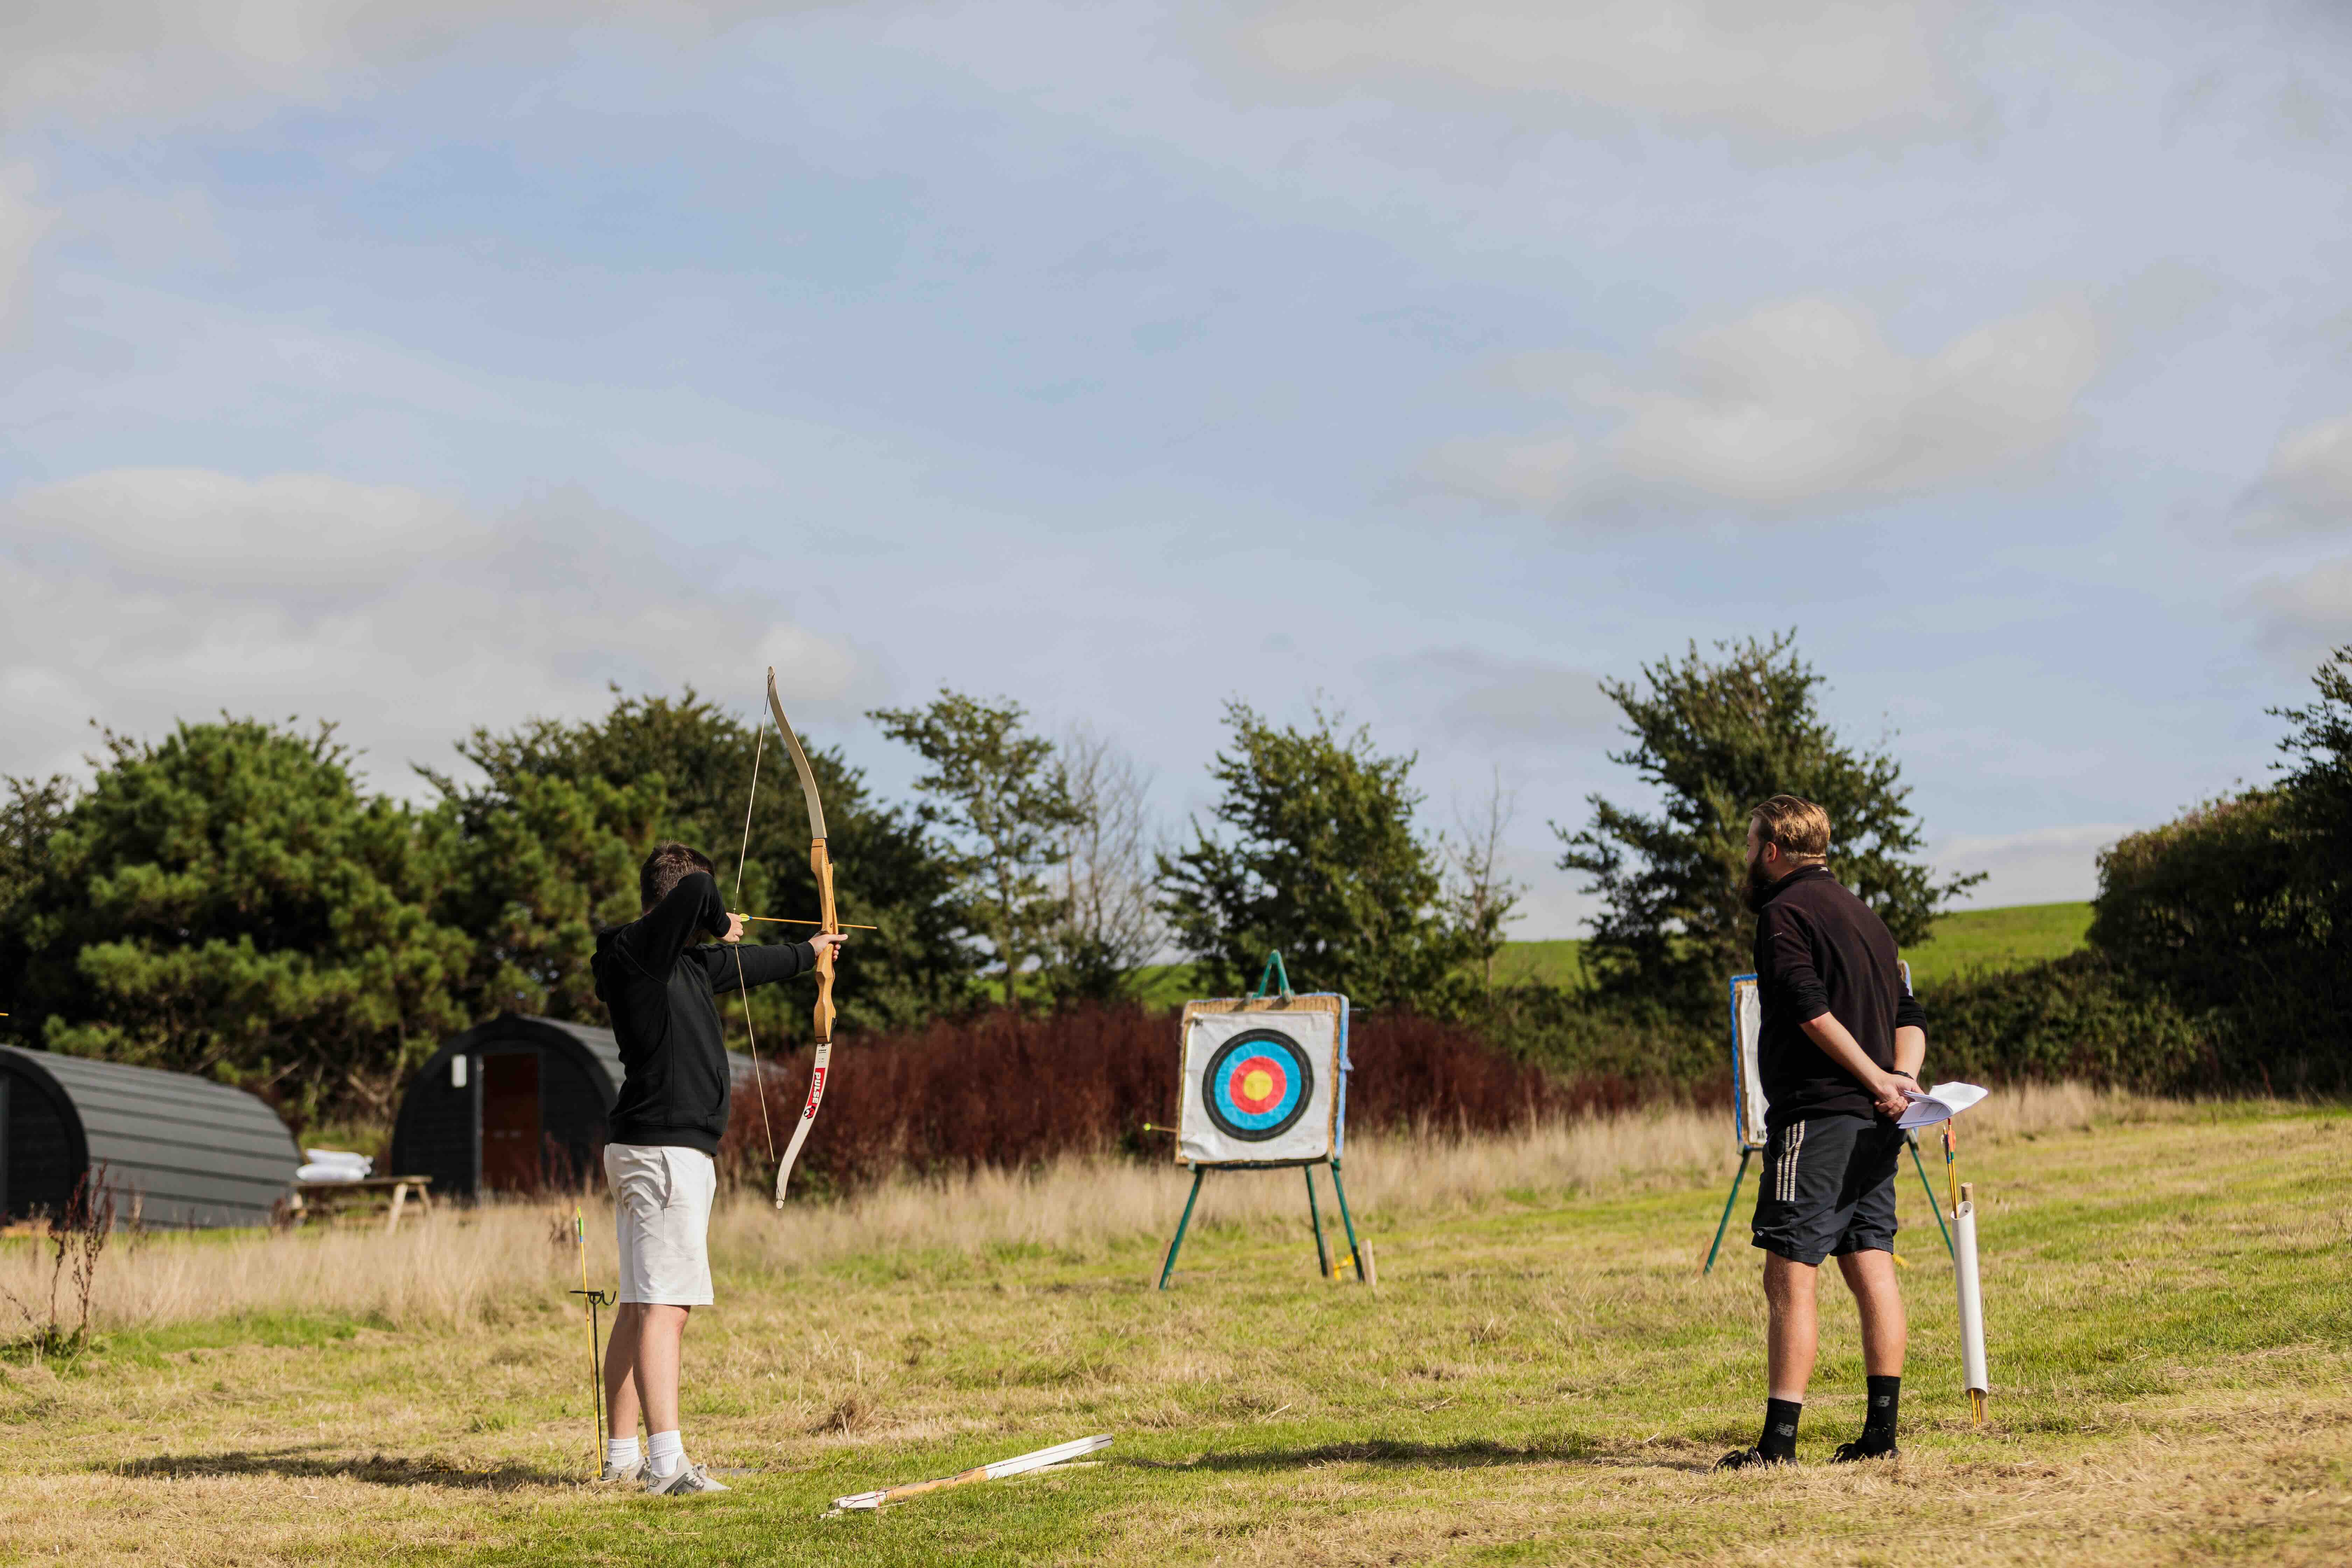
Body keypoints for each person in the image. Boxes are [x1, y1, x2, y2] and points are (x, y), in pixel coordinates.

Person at [590, 841, 847, 1496]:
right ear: (676, 899)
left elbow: (750, 963)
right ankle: (666, 1465)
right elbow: (703, 899)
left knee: (642, 1303)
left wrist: (811, 952)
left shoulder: (684, 964)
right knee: (666, 1308)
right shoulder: (635, 953)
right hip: (663, 1152)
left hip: (654, 1150)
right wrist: (716, 913)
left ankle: (624, 1459)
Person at [1717, 794, 1927, 1470]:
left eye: (1751, 844)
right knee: (1872, 1266)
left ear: (1772, 850)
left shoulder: (1784, 913)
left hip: (1819, 1118)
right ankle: (1880, 1437)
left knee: (1790, 1277)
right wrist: (1903, 1079)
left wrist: (1875, 1078)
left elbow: (1808, 1010)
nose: (1747, 856)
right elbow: (1909, 1011)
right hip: (1880, 1121)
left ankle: (1777, 1448)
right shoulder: (1868, 917)